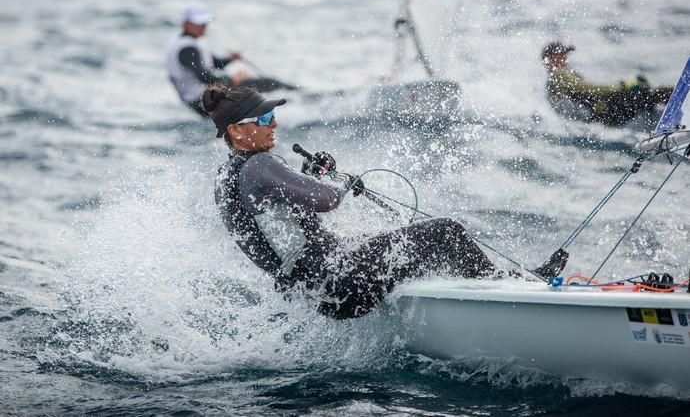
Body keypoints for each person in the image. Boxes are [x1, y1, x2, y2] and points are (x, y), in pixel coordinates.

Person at [207, 84, 561, 319]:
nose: (274, 124)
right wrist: (337, 181)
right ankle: (521, 288)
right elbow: (327, 199)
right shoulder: (260, 164)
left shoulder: (227, 178)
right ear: (236, 130)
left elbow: (278, 221)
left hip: (314, 292)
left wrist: (307, 173)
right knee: (445, 233)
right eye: (265, 118)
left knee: (394, 244)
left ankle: (476, 294)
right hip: (339, 281)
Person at [165, 3, 296, 116]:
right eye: (199, 23)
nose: (203, 26)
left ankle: (294, 100)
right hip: (203, 102)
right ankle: (301, 101)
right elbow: (202, 76)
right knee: (270, 84)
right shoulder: (187, 49)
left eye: (204, 22)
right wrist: (230, 80)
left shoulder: (182, 42)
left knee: (263, 86)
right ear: (186, 23)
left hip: (200, 101)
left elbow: (215, 63)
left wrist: (231, 59)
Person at [542, 41, 674, 126]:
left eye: (565, 55)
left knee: (647, 97)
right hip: (605, 111)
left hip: (599, 117)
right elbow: (590, 89)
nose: (565, 59)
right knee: (647, 92)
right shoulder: (559, 74)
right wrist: (624, 84)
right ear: (550, 59)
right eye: (561, 56)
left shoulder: (551, 84)